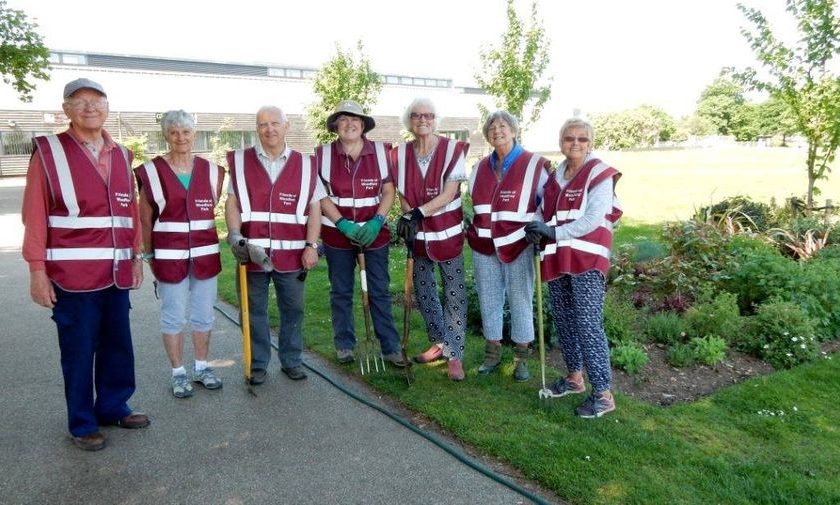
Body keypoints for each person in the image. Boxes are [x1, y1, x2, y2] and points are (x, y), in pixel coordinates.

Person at [21, 78, 150, 452]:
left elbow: (129, 214)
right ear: (66, 110)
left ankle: (113, 406)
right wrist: (36, 271)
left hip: (116, 273)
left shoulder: (123, 154)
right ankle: (81, 423)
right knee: (78, 352)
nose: (90, 107)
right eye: (80, 101)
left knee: (117, 345)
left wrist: (136, 256)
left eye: (97, 100)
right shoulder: (48, 152)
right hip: (71, 277)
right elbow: (35, 215)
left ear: (108, 107)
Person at [525, 117, 622, 418]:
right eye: (569, 138)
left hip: (587, 258)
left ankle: (604, 394)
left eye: (582, 139)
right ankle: (574, 378)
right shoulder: (557, 176)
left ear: (590, 143)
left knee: (588, 323)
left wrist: (554, 233)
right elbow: (545, 211)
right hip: (559, 257)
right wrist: (537, 228)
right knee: (565, 320)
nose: (575, 143)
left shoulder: (599, 174)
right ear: (561, 142)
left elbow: (594, 218)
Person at [225, 105, 324, 384]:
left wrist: (311, 245)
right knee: (253, 310)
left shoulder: (305, 165)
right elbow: (232, 202)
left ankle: (292, 360)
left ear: (286, 126)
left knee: (293, 310)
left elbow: (315, 209)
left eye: (274, 123)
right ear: (256, 129)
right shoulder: (242, 162)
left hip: (293, 254)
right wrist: (234, 236)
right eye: (263, 124)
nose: (269, 129)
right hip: (252, 254)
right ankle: (257, 364)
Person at [135, 110, 225, 398]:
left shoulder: (213, 172)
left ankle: (202, 367)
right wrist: (148, 255)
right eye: (173, 132)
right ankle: (178, 373)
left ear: (195, 135)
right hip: (169, 255)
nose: (180, 137)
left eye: (186, 132)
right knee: (173, 316)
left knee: (204, 315)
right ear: (165, 136)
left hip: (206, 255)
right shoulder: (150, 171)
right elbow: (145, 219)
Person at [316, 100, 405, 367]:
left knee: (378, 290)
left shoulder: (380, 152)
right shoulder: (323, 154)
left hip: (373, 234)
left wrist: (378, 221)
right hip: (337, 234)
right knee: (341, 291)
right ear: (335, 126)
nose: (349, 124)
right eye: (343, 119)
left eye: (355, 119)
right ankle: (345, 344)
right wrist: (342, 223)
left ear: (363, 125)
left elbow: (388, 191)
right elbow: (320, 195)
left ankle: (390, 346)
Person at [465, 110, 552, 382]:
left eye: (503, 126)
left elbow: (546, 203)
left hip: (519, 243)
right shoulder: (478, 168)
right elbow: (472, 201)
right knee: (489, 298)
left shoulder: (536, 165)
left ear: (513, 130)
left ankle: (521, 358)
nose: (497, 131)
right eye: (491, 127)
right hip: (484, 243)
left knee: (520, 299)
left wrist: (538, 227)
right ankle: (492, 354)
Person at [390, 98, 469, 380]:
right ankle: (439, 342)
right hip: (419, 238)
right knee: (424, 293)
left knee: (454, 294)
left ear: (436, 119)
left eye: (428, 115)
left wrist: (416, 213)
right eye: (416, 115)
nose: (422, 120)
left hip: (447, 235)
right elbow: (401, 191)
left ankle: (455, 354)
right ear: (408, 120)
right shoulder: (398, 154)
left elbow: (449, 193)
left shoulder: (452, 150)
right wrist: (406, 216)